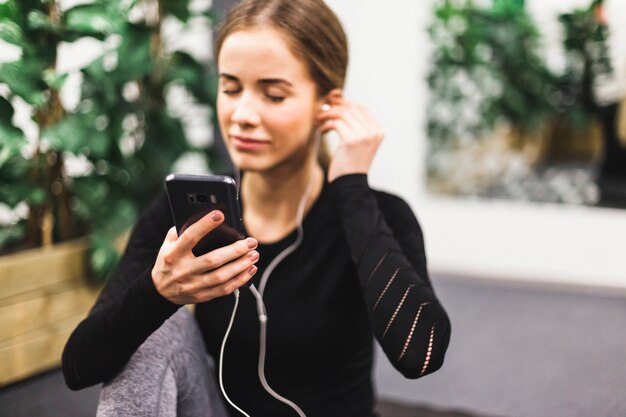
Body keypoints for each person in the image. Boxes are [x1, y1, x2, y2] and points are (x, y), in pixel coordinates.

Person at [62, 0, 451, 416]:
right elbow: (79, 366)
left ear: (328, 105)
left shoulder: (379, 215)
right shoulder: (189, 218)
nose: (242, 115)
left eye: (274, 94)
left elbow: (420, 357)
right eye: (230, 88)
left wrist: (352, 187)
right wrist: (159, 294)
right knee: (158, 328)